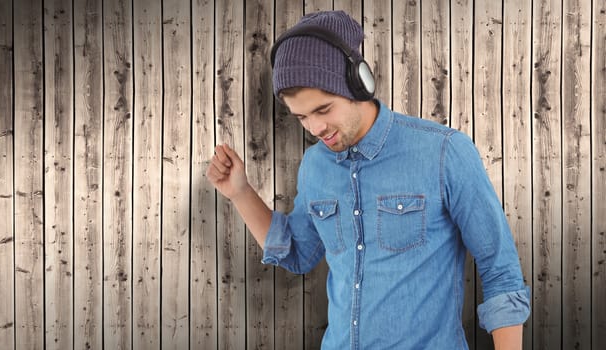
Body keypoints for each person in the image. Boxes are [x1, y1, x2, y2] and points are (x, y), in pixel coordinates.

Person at [206, 10, 530, 349]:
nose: (316, 129)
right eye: (302, 117)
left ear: (359, 84)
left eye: (323, 109)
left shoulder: (445, 152)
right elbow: (299, 254)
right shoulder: (315, 165)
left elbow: (501, 273)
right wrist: (240, 193)